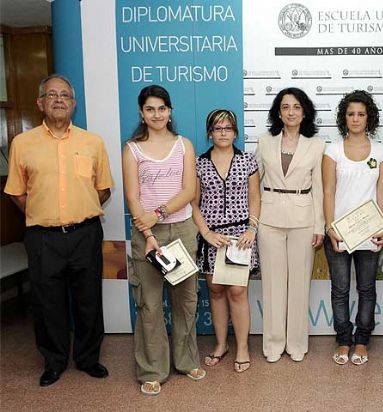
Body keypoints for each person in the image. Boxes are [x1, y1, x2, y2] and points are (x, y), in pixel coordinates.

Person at [4, 74, 113, 386]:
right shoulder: (22, 144)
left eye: (65, 94)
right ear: (40, 103)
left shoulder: (92, 142)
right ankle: (53, 361)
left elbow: (102, 189)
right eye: (51, 94)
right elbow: (16, 191)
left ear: (74, 103)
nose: (59, 99)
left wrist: (78, 210)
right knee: (47, 302)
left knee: (88, 300)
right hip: (42, 238)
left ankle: (89, 358)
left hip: (85, 234)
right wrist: (43, 213)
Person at [122, 85, 205, 396]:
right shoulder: (131, 149)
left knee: (186, 302)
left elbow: (188, 192)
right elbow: (132, 197)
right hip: (148, 237)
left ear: (170, 111)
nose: (156, 114)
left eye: (162, 108)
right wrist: (148, 235)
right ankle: (152, 369)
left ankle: (187, 360)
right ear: (142, 114)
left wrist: (158, 213)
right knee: (150, 304)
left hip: (182, 230)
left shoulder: (184, 145)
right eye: (150, 109)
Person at [256, 87, 325, 363]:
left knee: (299, 285)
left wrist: (320, 225)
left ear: (304, 111)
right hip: (269, 217)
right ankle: (273, 344)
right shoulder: (264, 142)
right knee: (272, 284)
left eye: (296, 107)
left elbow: (319, 189)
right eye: (285, 107)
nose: (291, 112)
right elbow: (254, 183)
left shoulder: (317, 145)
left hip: (303, 219)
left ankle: (297, 343)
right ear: (278, 112)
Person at [322, 90, 383, 365]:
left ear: (369, 117)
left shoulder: (382, 152)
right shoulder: (332, 150)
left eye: (361, 114)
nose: (355, 118)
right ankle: (343, 340)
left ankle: (362, 340)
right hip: (339, 232)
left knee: (366, 288)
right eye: (350, 114)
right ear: (343, 117)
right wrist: (330, 227)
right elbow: (328, 191)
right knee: (339, 289)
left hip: (370, 232)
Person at [192, 109, 260, 373]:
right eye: (218, 128)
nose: (223, 133)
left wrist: (252, 229)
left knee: (237, 292)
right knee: (216, 292)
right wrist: (206, 233)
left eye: (228, 128)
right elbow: (193, 203)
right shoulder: (199, 163)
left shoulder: (247, 161)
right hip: (212, 238)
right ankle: (221, 344)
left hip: (240, 237)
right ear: (210, 133)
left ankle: (242, 347)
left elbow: (255, 197)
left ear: (235, 132)